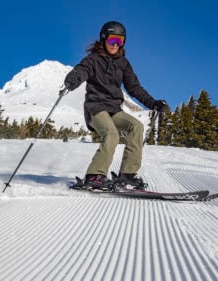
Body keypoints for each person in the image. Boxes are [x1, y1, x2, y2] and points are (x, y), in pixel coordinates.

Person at [62, 20, 167, 191]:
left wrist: (153, 103)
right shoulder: (93, 60)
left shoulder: (123, 63)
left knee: (136, 127)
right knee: (112, 135)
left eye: (119, 41)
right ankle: (94, 175)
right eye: (112, 40)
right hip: (95, 108)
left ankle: (127, 175)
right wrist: (71, 80)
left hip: (114, 109)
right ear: (104, 39)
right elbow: (81, 70)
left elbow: (134, 87)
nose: (115, 44)